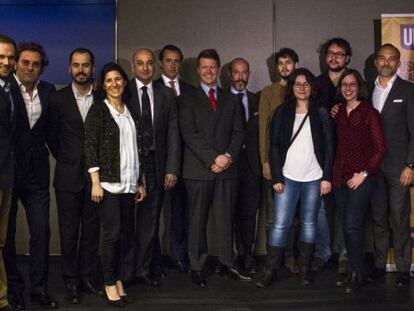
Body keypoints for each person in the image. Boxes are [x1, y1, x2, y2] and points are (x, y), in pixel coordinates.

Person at [256, 68, 335, 288]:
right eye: (298, 84)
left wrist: (326, 177)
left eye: (306, 84)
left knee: (310, 223)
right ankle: (270, 270)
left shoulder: (321, 112)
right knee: (281, 224)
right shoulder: (282, 112)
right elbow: (274, 147)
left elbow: (330, 147)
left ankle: (305, 270)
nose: (302, 88)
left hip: (313, 177)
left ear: (312, 87)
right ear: (292, 87)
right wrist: (277, 177)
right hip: (288, 177)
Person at [179, 49, 248, 288]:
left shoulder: (232, 99)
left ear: (219, 70)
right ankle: (197, 266)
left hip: (227, 169)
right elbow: (189, 133)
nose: (209, 71)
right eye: (204, 67)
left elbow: (239, 132)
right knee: (197, 221)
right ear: (198, 70)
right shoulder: (187, 98)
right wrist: (213, 159)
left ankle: (227, 263)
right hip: (198, 169)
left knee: (226, 218)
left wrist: (227, 156)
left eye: (213, 67)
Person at [84, 62, 146, 307]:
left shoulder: (130, 111)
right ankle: (108, 282)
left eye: (118, 79)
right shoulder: (98, 110)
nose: (114, 84)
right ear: (103, 84)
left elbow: (136, 149)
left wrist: (141, 182)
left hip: (129, 184)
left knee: (124, 235)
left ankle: (118, 278)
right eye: (109, 80)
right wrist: (95, 183)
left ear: (124, 82)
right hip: (108, 185)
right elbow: (90, 147)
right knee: (111, 236)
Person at [4, 42, 57, 310]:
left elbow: (52, 133)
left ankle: (39, 288)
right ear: (16, 64)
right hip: (9, 174)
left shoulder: (48, 92)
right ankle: (13, 289)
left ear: (42, 67)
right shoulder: (5, 90)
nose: (30, 68)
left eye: (35, 64)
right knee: (8, 235)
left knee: (41, 232)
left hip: (37, 176)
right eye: (25, 62)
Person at [47, 48, 102, 304]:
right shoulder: (57, 100)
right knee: (68, 233)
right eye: (76, 65)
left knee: (91, 232)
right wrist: (69, 160)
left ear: (93, 68)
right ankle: (70, 280)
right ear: (70, 68)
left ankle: (87, 277)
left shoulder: (103, 96)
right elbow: (52, 138)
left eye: (86, 65)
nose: (81, 70)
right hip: (67, 177)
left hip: (97, 181)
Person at [127, 48, 180, 286]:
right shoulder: (122, 89)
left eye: (149, 63)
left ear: (155, 67)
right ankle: (125, 271)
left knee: (150, 223)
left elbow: (173, 133)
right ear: (133, 67)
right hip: (128, 166)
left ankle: (143, 270)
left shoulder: (166, 94)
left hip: (156, 165)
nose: (145, 68)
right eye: (140, 63)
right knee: (127, 222)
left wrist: (171, 168)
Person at [332, 69, 385, 293]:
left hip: (361, 179)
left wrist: (363, 173)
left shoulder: (369, 113)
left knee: (353, 226)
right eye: (344, 84)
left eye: (352, 84)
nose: (348, 88)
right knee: (347, 226)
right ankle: (356, 270)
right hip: (340, 179)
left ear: (359, 87)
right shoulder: (338, 113)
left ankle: (356, 274)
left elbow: (380, 149)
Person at [369, 43, 414, 287]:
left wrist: (411, 165)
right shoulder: (368, 90)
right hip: (374, 168)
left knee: (398, 217)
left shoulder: (408, 90)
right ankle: (378, 265)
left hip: (399, 167)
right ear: (376, 62)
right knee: (378, 217)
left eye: (392, 58)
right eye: (382, 58)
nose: (386, 62)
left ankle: (404, 268)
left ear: (398, 63)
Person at [313, 38, 353, 276]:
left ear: (347, 58)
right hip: (319, 156)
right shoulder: (316, 84)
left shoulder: (355, 82)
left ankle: (345, 255)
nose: (334, 57)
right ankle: (323, 253)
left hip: (348, 157)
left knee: (346, 208)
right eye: (331, 53)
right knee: (319, 209)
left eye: (340, 54)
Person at [258, 48, 300, 273]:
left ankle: (291, 257)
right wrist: (265, 161)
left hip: (297, 164)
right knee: (273, 215)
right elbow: (263, 129)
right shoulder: (268, 92)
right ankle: (273, 259)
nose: (285, 67)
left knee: (293, 214)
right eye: (280, 63)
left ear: (296, 64)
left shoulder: (303, 89)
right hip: (273, 162)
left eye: (289, 62)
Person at [155, 44, 194, 273]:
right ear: (161, 63)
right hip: (157, 160)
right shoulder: (151, 87)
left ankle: (178, 255)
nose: (172, 65)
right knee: (152, 214)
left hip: (185, 160)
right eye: (168, 60)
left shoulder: (190, 90)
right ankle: (153, 259)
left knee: (180, 213)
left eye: (176, 61)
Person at [228, 57, 261, 274]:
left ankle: (247, 255)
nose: (241, 77)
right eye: (236, 72)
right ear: (230, 75)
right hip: (229, 164)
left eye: (244, 72)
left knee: (249, 213)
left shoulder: (258, 99)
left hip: (251, 165)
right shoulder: (221, 99)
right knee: (228, 213)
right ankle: (230, 257)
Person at [0, 34, 17, 311]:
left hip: (6, 176)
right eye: (0, 56)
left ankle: (1, 296)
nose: (6, 62)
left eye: (9, 57)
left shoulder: (10, 88)